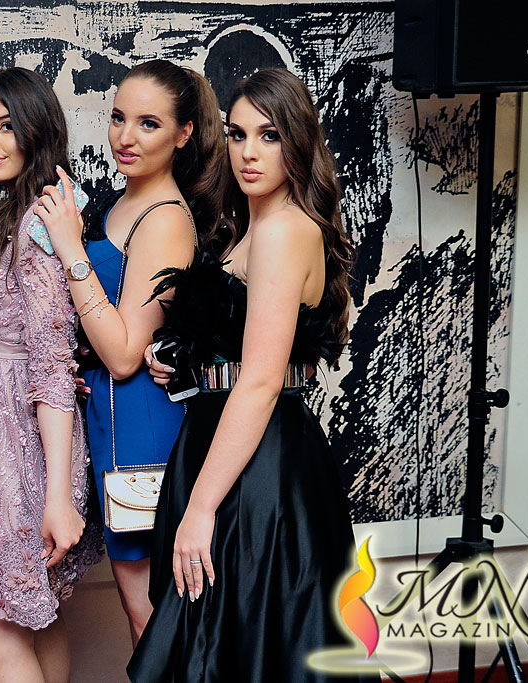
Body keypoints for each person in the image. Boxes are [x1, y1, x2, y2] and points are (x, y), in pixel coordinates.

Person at [127, 68, 366, 682]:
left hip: (259, 467)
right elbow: (241, 346)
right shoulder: (245, 227)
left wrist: (200, 508)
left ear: (298, 141)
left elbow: (260, 382)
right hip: (225, 444)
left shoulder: (284, 229)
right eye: (237, 134)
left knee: (244, 648)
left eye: (269, 135)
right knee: (228, 644)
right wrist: (182, 358)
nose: (248, 152)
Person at [33, 59, 226, 645]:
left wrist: (71, 248)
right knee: (144, 620)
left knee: (156, 626)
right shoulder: (120, 204)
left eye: (148, 123)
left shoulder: (165, 219)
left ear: (183, 133)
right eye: (118, 118)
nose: (125, 136)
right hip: (110, 417)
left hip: (144, 425)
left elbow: (123, 354)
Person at [0, 67, 103, 683]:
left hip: (21, 453)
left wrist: (59, 498)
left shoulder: (41, 223)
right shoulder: (4, 216)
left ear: (36, 131)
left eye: (6, 126)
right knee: (35, 622)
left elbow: (51, 361)